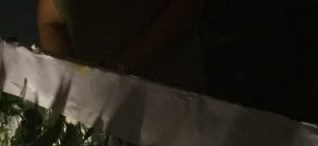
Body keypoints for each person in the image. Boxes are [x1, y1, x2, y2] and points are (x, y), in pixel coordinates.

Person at [36, 0, 207, 93]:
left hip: (168, 94)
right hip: (91, 105)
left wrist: (118, 68)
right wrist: (70, 83)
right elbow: (50, 20)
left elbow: (187, 7)